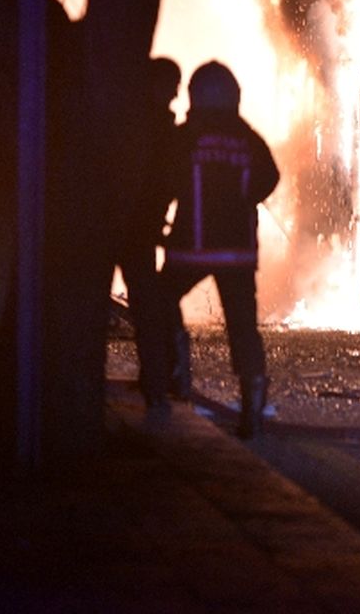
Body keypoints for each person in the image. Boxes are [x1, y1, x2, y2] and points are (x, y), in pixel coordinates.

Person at [158, 61, 280, 438]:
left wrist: (158, 224)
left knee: (158, 298)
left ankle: (175, 370)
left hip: (191, 246)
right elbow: (270, 177)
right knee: (242, 326)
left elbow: (163, 181)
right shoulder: (248, 138)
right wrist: (244, 201)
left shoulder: (185, 136)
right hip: (238, 252)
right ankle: (253, 406)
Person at [116, 57, 182, 415]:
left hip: (122, 224)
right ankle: (157, 384)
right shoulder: (155, 127)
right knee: (146, 306)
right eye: (172, 84)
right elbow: (165, 179)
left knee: (145, 305)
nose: (175, 93)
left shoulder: (130, 121)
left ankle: (156, 382)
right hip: (135, 228)